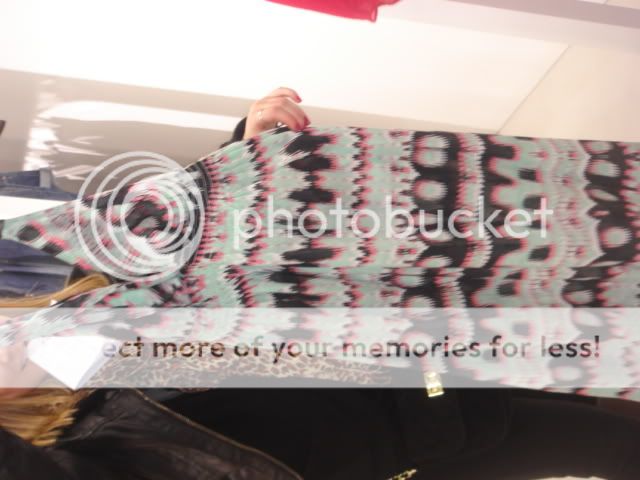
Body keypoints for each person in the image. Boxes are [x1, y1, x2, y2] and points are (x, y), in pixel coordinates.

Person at [1, 87, 640, 480]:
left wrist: (247, 162)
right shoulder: (109, 448)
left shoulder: (87, 316)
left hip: (444, 335)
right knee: (616, 447)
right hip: (437, 432)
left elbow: (209, 274)